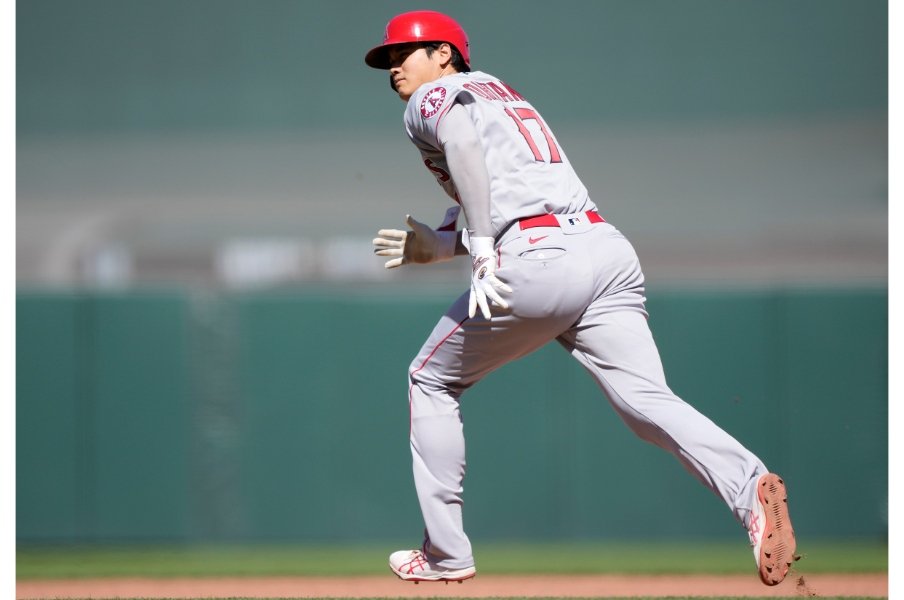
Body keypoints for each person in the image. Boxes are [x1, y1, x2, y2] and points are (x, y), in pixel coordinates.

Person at [366, 10, 797, 587]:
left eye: (404, 53)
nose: (394, 67)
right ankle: (750, 489)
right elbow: (510, 193)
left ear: (445, 54)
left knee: (429, 379)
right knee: (646, 402)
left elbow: (465, 147)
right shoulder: (501, 94)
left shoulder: (432, 96)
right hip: (604, 249)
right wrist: (443, 245)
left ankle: (446, 554)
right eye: (389, 59)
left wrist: (483, 248)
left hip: (537, 261)